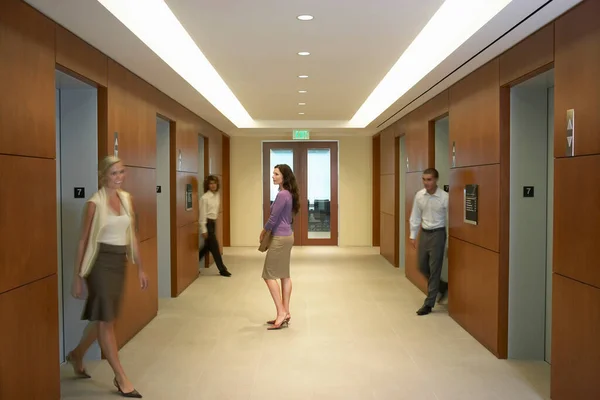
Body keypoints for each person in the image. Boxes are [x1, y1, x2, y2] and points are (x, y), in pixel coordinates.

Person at [67, 156, 149, 398]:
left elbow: (132, 234)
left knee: (107, 318)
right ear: (103, 175)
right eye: (114, 173)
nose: (119, 177)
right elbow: (83, 241)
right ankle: (121, 378)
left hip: (118, 262)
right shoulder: (94, 203)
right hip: (99, 263)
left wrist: (141, 267)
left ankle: (77, 354)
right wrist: (77, 275)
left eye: (122, 172)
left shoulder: (126, 199)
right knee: (106, 321)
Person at [259, 164, 299, 330]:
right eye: (273, 173)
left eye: (276, 174)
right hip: (287, 235)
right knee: (284, 275)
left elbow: (273, 218)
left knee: (268, 275)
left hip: (280, 238)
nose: (273, 176)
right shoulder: (288, 194)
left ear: (284, 177)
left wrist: (264, 231)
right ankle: (285, 312)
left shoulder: (282, 194)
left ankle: (281, 312)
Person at [409, 167, 449, 316]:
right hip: (425, 234)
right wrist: (413, 234)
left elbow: (450, 220)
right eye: (424, 179)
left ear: (436, 180)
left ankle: (429, 303)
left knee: (435, 269)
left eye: (429, 180)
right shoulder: (419, 196)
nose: (426, 183)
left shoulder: (445, 197)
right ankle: (443, 286)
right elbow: (415, 215)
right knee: (421, 266)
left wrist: (449, 242)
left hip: (438, 234)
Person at [198, 175, 231, 277]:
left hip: (213, 223)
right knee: (215, 248)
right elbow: (202, 214)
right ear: (207, 185)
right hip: (207, 224)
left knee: (207, 247)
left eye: (214, 183)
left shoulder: (217, 195)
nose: (213, 185)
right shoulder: (204, 198)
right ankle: (222, 269)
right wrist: (203, 229)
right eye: (210, 183)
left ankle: (192, 265)